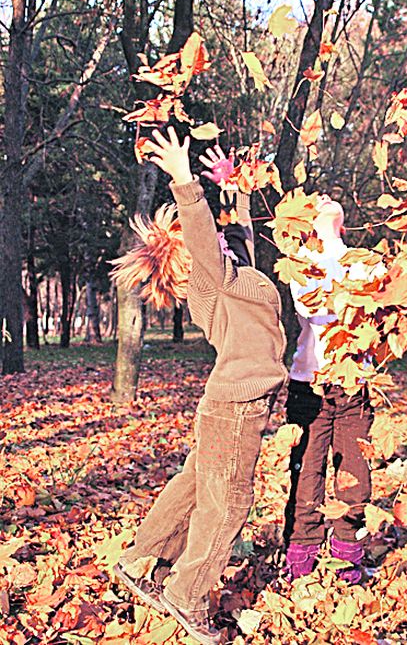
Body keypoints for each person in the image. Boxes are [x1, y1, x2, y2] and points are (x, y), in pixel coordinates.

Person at [114, 128, 288, 644]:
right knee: (228, 503)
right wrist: (187, 183)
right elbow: (201, 233)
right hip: (237, 408)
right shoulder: (210, 287)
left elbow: (242, 239)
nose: (215, 235)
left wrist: (231, 188)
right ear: (192, 262)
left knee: (195, 486)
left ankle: (143, 559)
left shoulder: (236, 274)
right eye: (204, 239)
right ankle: (186, 594)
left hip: (228, 407)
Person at [283, 194, 374, 583]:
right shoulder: (298, 262)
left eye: (331, 199)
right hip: (311, 384)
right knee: (307, 472)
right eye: (315, 201)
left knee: (354, 473)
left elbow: (385, 301)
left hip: (354, 385)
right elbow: (311, 307)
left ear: (344, 220)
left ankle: (348, 559)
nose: (324, 198)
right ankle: (301, 557)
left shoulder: (367, 260)